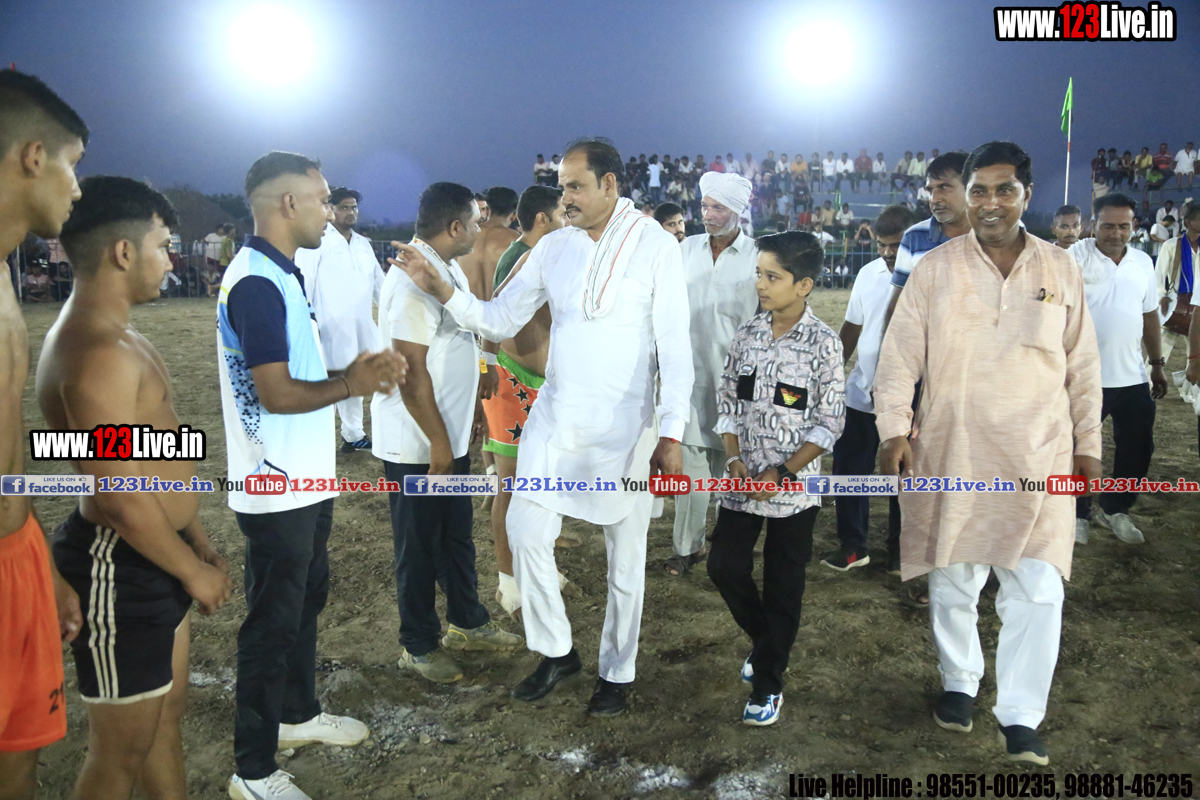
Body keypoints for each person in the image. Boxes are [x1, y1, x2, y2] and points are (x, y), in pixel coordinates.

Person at [391, 137, 692, 717]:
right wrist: (445, 290)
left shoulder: (656, 245)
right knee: (526, 530)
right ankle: (556, 651)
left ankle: (617, 671)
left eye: (576, 186)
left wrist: (672, 433)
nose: (566, 198)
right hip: (555, 420)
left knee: (624, 561)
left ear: (610, 184)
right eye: (562, 187)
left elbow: (675, 349)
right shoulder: (553, 247)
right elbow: (499, 318)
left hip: (628, 428)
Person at [875, 141, 1103, 766]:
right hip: (953, 450)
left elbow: (1082, 365)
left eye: (1005, 190)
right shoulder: (935, 270)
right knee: (954, 574)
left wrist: (1088, 445)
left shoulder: (1060, 268)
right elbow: (898, 359)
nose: (990, 203)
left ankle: (1022, 716)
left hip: (1040, 454)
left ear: (1027, 195)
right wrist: (894, 430)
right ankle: (959, 682)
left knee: (1037, 586)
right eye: (979, 190)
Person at [218, 151, 406, 800]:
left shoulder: (282, 272)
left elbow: (294, 373)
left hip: (307, 477)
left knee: (305, 600)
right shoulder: (255, 282)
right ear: (288, 203)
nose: (331, 211)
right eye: (323, 200)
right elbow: (274, 392)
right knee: (271, 623)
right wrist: (353, 383)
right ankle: (252, 771)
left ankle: (296, 714)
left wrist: (350, 377)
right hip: (275, 486)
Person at [39, 176, 234, 800]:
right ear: (123, 252)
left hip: (154, 555)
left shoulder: (125, 338)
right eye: (163, 245)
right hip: (119, 568)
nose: (171, 260)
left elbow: (159, 451)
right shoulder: (95, 354)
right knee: (118, 754)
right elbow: (119, 497)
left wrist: (194, 537)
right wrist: (192, 569)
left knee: (163, 720)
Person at [372, 183, 523, 684]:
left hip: (447, 437)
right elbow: (410, 371)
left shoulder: (444, 267)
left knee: (455, 534)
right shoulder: (411, 281)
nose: (481, 229)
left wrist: (473, 394)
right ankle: (417, 645)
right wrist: (438, 441)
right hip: (417, 444)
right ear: (455, 226)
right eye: (475, 222)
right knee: (418, 545)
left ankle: (467, 622)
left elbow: (462, 334)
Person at [708, 231, 845, 726]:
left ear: (804, 284)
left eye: (773, 277)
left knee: (784, 585)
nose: (761, 285)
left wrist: (783, 472)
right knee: (724, 567)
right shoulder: (747, 334)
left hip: (795, 491)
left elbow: (830, 423)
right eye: (759, 275)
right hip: (742, 482)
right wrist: (734, 459)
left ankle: (768, 685)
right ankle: (768, 642)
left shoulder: (823, 344)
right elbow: (728, 401)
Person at [0, 67, 87, 800]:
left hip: (17, 549)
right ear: (34, 156)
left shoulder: (4, 277)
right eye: (72, 164)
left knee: (18, 760)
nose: (77, 188)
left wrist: (38, 561)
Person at [482, 185, 578, 618]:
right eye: (562, 214)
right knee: (511, 485)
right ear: (543, 218)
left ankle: (541, 567)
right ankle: (508, 581)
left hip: (543, 384)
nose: (567, 222)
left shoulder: (553, 254)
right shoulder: (519, 256)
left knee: (541, 482)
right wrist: (484, 367)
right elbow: (491, 315)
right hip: (510, 381)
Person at [668, 172, 758, 577]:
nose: (707, 214)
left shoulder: (758, 256)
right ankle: (687, 548)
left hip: (737, 381)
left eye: (717, 207)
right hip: (688, 376)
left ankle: (726, 548)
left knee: (731, 465)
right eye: (704, 206)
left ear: (738, 211)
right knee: (691, 465)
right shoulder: (685, 250)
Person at [1067, 193, 1165, 546]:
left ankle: (1115, 509)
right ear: (1093, 225)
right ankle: (1077, 514)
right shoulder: (1074, 258)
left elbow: (1150, 315)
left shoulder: (1142, 262)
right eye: (1108, 226)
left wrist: (1157, 365)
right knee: (1075, 449)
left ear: (1134, 226)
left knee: (1137, 449)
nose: (1116, 233)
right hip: (1082, 378)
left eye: (1124, 226)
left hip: (1132, 377)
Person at [822, 206, 913, 574]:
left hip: (908, 399)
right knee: (849, 471)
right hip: (861, 393)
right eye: (881, 245)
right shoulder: (867, 273)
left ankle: (901, 550)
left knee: (904, 474)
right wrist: (832, 375)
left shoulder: (929, 274)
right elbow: (852, 327)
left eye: (896, 245)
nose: (888, 252)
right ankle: (853, 546)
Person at [293, 187, 386, 453]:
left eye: (354, 207)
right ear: (330, 209)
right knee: (327, 383)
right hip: (327, 327)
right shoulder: (316, 241)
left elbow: (380, 285)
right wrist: (306, 324)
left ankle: (353, 434)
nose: (350, 212)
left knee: (356, 379)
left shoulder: (363, 244)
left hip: (361, 326)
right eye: (344, 207)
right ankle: (319, 438)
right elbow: (303, 284)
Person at [883, 151, 972, 329]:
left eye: (944, 187)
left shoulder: (997, 236)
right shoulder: (914, 238)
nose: (934, 199)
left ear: (971, 187)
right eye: (930, 190)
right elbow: (897, 309)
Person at [457, 185, 519, 305]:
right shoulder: (516, 241)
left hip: (468, 311)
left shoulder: (463, 237)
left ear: (487, 209)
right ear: (514, 215)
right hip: (501, 312)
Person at [1155, 203, 1200, 364]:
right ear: (1188, 222)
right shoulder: (1172, 245)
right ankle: (1151, 378)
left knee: (1195, 354)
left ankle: (1191, 382)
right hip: (1176, 304)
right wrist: (1162, 297)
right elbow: (1159, 276)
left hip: (1198, 305)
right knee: (1160, 350)